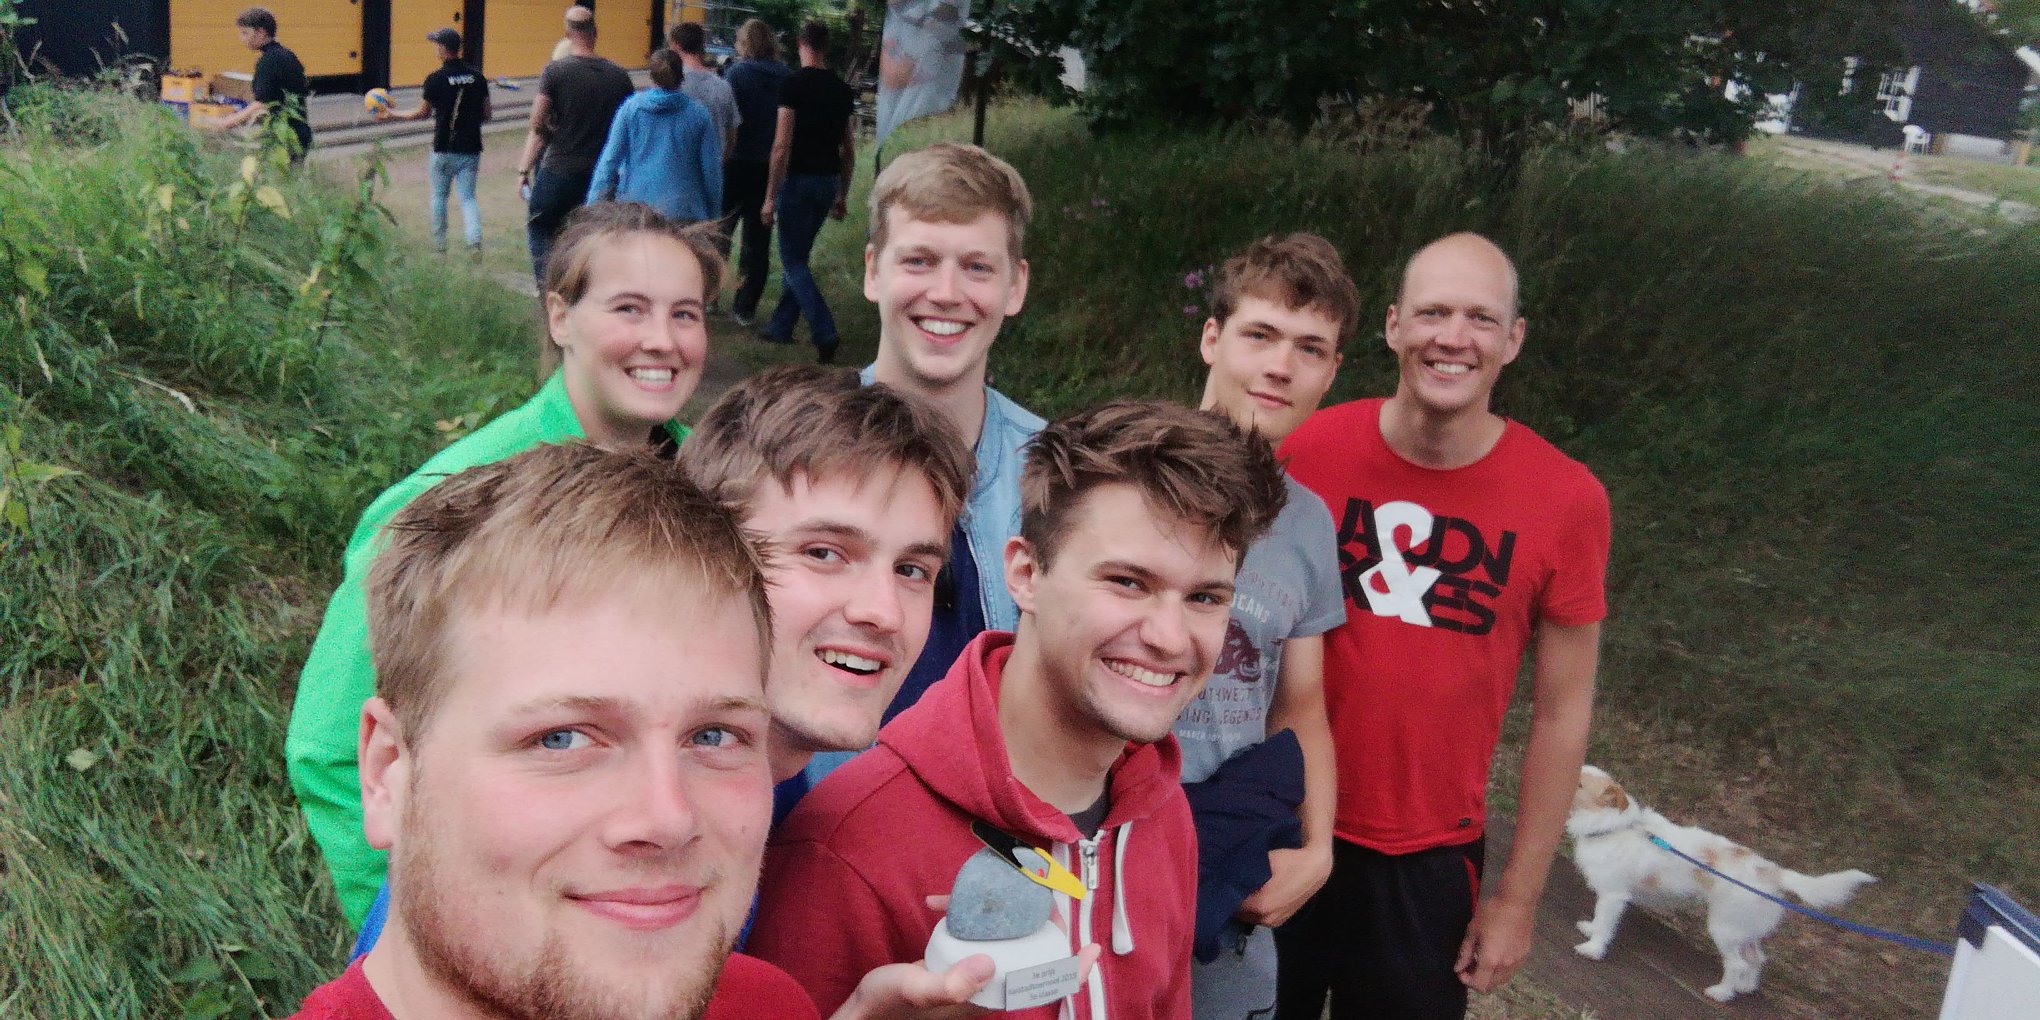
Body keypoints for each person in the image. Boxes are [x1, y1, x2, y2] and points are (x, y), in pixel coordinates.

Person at [748, 400, 1291, 1019]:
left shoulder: (1163, 812)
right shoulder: (845, 846)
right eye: (1128, 582)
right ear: (1026, 573)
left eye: (1205, 598)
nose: (1169, 637)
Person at [286, 203, 723, 930]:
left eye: (686, 314)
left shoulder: (717, 483)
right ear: (561, 317)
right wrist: (411, 929)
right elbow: (327, 747)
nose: (662, 340)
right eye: (629, 308)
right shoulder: (454, 499)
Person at [279, 443, 817, 1019]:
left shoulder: (766, 1004)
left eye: (714, 736)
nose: (669, 819)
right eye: (562, 738)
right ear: (388, 772)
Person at [1274, 232, 1611, 1019]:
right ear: (1394, 326)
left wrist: (1518, 898)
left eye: (1480, 318)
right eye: (1432, 313)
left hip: (1425, 859)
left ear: (1513, 339)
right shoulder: (1306, 449)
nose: (1453, 337)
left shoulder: (1567, 500)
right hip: (1283, 824)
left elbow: (1563, 714)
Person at [1173, 233, 1359, 1019]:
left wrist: (1317, 849)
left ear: (1332, 372)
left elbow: (1300, 704)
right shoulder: (1124, 475)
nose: (1281, 366)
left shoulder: (1309, 523)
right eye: (1260, 334)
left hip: (1234, 856)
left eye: (1309, 348)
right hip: (1102, 841)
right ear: (1212, 338)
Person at [680, 365, 971, 808]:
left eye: (911, 570)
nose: (885, 612)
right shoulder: (623, 822)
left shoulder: (785, 804)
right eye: (824, 553)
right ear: (702, 555)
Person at [849, 142, 1041, 742]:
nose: (947, 293)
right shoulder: (784, 454)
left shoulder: (1058, 476)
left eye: (977, 268)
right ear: (873, 271)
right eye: (920, 261)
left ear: (1015, 286)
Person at [518, 6, 634, 285]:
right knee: (590, 236)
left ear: (567, 34)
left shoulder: (556, 71)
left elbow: (537, 122)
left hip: (560, 169)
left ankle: (547, 289)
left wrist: (525, 168)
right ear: (596, 33)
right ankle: (583, 287)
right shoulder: (620, 77)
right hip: (601, 174)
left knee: (541, 227)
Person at [759, 20, 854, 362]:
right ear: (825, 47)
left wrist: (770, 196)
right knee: (799, 254)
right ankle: (781, 326)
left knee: (793, 259)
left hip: (798, 180)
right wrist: (842, 193)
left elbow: (781, 145)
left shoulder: (793, 85)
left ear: (801, 43)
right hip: (827, 181)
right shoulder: (842, 90)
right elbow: (848, 148)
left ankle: (824, 331)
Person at [374, 28, 490, 256]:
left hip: (443, 147)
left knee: (439, 197)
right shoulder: (478, 77)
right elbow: (487, 114)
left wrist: (392, 115)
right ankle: (474, 241)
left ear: (444, 49)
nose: (436, 49)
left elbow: (422, 113)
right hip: (470, 149)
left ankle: (439, 247)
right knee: (468, 198)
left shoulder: (435, 80)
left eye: (437, 45)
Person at [587, 50, 723, 224]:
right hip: (684, 209)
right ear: (681, 76)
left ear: (650, 76)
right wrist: (714, 213)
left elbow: (609, 162)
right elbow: (711, 171)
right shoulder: (698, 115)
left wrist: (593, 206)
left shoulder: (630, 109)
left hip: (637, 207)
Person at [721, 18, 790, 324]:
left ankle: (710, 294)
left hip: (736, 161)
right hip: (768, 165)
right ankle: (745, 306)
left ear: (744, 43)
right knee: (757, 240)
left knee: (720, 230)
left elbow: (729, 116)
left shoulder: (737, 74)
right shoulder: (786, 76)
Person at [213, 7, 311, 160]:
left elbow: (263, 103)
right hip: (299, 132)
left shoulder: (268, 61)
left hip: (284, 136)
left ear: (261, 32)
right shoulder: (287, 55)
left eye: (245, 33)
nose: (241, 38)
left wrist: (227, 122)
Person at [671, 22, 741, 162]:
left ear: (676, 45)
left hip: (676, 166)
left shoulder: (671, 83)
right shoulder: (723, 86)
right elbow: (731, 137)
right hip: (712, 164)